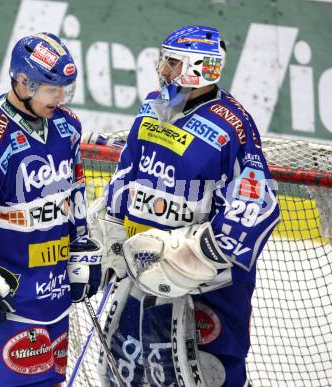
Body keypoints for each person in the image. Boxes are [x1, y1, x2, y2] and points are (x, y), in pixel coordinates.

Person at [89, 25, 280, 386]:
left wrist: (197, 253)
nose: (163, 70)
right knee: (138, 367)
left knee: (212, 370)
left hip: (206, 286)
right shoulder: (153, 104)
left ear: (200, 67)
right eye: (165, 61)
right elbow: (129, 169)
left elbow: (256, 202)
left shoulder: (232, 124)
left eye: (173, 62)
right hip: (140, 268)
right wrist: (113, 226)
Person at [0, 32, 102, 387]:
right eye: (51, 88)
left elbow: (74, 189)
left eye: (66, 89)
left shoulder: (67, 126)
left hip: (54, 284)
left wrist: (82, 245)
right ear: (23, 81)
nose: (60, 98)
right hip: (7, 289)